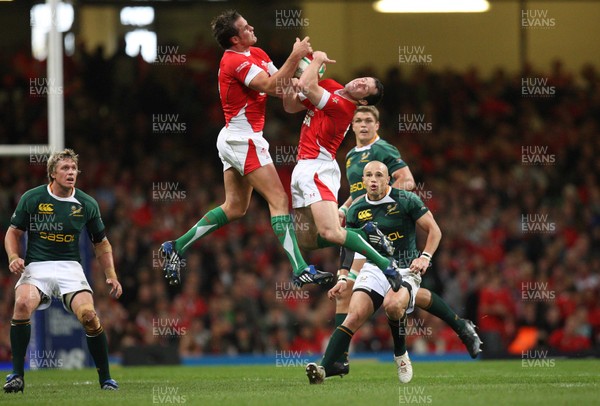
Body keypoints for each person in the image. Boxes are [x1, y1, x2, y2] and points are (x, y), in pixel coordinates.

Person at [159, 10, 332, 287]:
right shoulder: (233, 61)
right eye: (245, 27)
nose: (251, 27)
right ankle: (300, 268)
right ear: (235, 39)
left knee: (235, 207)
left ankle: (175, 247)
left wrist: (305, 76)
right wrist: (296, 56)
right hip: (243, 139)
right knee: (279, 200)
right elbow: (268, 83)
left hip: (236, 137)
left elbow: (280, 87)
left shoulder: (258, 53)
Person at [331, 107, 481, 376]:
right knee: (349, 290)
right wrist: (344, 208)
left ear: (377, 125)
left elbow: (408, 181)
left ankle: (402, 350)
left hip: (395, 243)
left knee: (395, 302)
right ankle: (337, 360)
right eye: (358, 121)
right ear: (350, 126)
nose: (363, 125)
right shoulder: (352, 156)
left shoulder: (383, 149)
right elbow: (359, 195)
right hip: (369, 238)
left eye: (368, 121)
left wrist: (389, 207)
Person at [305, 161, 440, 384]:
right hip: (374, 267)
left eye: (379, 175)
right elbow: (349, 245)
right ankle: (322, 369)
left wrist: (425, 257)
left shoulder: (406, 199)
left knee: (394, 306)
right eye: (369, 175)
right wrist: (344, 277)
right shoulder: (356, 208)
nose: (374, 179)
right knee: (354, 315)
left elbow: (434, 230)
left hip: (405, 266)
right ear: (363, 181)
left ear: (388, 179)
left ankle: (400, 354)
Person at [282, 51, 403, 290]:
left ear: (363, 102)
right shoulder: (330, 86)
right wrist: (291, 76)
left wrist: (315, 59)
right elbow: (289, 106)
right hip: (303, 166)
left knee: (330, 232)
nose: (359, 82)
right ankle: (364, 231)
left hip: (318, 166)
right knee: (307, 240)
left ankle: (385, 264)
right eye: (362, 79)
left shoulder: (346, 107)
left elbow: (307, 85)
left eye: (364, 87)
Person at [4, 149, 122, 393]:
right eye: (65, 169)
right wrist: (14, 256)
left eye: (74, 169)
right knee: (22, 304)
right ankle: (16, 375)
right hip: (37, 266)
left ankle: (106, 379)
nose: (71, 173)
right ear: (52, 174)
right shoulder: (33, 198)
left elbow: (101, 243)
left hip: (70, 268)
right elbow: (13, 232)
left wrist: (111, 275)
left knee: (89, 316)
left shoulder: (87, 203)